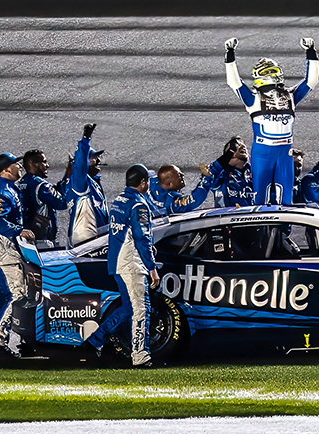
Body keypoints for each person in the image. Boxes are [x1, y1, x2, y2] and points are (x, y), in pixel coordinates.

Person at [224, 36, 319, 205]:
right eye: (267, 71)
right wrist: (229, 55)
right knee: (260, 199)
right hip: (264, 152)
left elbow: (311, 81)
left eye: (272, 70)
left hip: (283, 152)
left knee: (286, 200)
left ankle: (283, 231)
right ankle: (260, 230)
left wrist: (311, 52)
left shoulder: (289, 96)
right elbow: (234, 82)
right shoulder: (254, 98)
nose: (271, 74)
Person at [83, 165, 159, 368]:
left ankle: (94, 340)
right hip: (132, 264)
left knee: (127, 309)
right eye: (148, 181)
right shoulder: (139, 205)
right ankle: (140, 355)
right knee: (141, 309)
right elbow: (143, 238)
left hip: (117, 263)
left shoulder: (119, 201)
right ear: (143, 183)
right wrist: (151, 267)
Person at [0, 152, 36, 358]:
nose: (19, 166)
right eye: (15, 164)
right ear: (5, 170)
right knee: (18, 294)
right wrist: (18, 230)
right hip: (0, 254)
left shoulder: (5, 188)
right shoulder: (4, 192)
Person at [65, 123, 109, 246]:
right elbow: (79, 166)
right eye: (93, 158)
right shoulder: (80, 184)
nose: (98, 160)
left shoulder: (93, 182)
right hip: (86, 243)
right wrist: (85, 140)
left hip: (96, 239)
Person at [17, 149, 68, 243]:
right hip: (42, 240)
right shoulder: (41, 186)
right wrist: (69, 177)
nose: (47, 166)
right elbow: (62, 203)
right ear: (32, 163)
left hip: (23, 239)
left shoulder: (20, 184)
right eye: (44, 162)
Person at [206, 136, 255, 207]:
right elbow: (209, 178)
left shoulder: (254, 171)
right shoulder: (222, 173)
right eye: (237, 145)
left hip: (254, 215)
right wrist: (225, 158)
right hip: (227, 215)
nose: (243, 146)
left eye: (243, 144)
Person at [148, 164, 214, 215]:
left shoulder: (150, 180)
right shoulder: (170, 201)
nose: (183, 174)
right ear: (170, 184)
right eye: (179, 175)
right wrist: (207, 179)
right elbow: (194, 200)